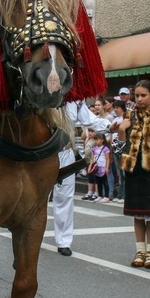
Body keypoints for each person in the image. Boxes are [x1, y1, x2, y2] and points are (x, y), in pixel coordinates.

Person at [114, 80, 150, 269]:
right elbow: (118, 149)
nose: (139, 99)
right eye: (137, 95)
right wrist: (122, 132)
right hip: (133, 170)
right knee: (137, 215)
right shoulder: (129, 116)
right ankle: (139, 250)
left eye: (143, 95)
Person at [54, 101, 109, 257]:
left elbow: (91, 120)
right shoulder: (39, 89)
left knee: (64, 197)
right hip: (40, 152)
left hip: (65, 152)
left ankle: (63, 241)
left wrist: (110, 126)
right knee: (34, 196)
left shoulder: (74, 101)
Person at [91, 134, 112, 203]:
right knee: (98, 182)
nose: (96, 141)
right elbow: (92, 158)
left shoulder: (105, 149)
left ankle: (106, 196)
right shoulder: (94, 149)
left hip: (103, 167)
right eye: (95, 140)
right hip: (96, 167)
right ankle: (100, 195)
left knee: (105, 182)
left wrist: (107, 167)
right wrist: (90, 166)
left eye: (97, 139)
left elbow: (107, 159)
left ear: (102, 140)